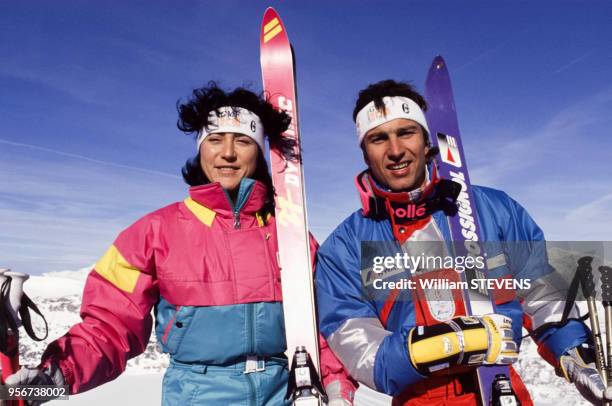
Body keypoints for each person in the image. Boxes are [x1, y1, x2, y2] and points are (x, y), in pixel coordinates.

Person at [4, 83, 355, 405]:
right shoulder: (153, 233)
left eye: (243, 141)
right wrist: (55, 377)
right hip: (196, 395)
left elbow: (322, 324)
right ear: (201, 148)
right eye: (216, 140)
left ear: (260, 154)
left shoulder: (292, 235)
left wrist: (339, 391)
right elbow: (110, 327)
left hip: (284, 394)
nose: (228, 153)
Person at [314, 79, 611, 405]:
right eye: (378, 138)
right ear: (364, 152)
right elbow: (363, 352)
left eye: (406, 132)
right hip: (419, 398)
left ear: (427, 141)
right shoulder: (344, 246)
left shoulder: (494, 211)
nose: (395, 150)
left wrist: (575, 353)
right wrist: (445, 344)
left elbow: (540, 292)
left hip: (502, 391)